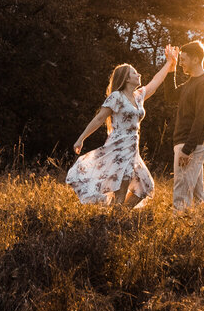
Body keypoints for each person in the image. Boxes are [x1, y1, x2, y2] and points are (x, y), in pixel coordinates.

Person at [67, 48, 177, 209]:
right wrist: (81, 138)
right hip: (119, 147)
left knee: (146, 186)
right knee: (121, 189)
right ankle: (115, 222)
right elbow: (99, 119)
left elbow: (155, 82)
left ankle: (117, 215)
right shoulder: (116, 97)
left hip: (132, 149)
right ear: (126, 79)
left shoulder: (138, 96)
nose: (138, 75)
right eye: (134, 73)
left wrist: (169, 62)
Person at [170, 39, 204, 210]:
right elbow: (170, 96)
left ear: (196, 59)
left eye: (183, 59)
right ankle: (199, 228)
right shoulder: (190, 83)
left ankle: (180, 230)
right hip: (186, 143)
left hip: (192, 144)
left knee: (181, 193)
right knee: (198, 197)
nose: (181, 63)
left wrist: (187, 150)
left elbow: (201, 120)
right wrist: (171, 68)